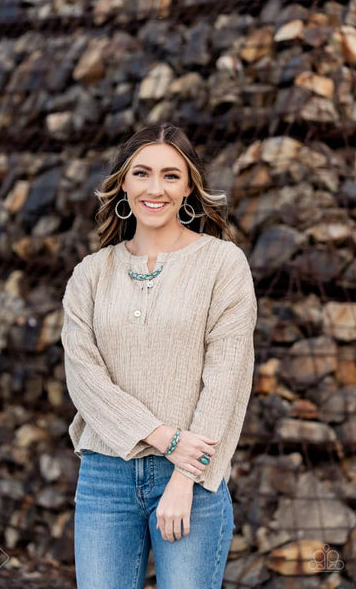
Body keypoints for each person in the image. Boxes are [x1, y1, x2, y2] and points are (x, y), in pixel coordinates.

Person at [61, 123, 257, 589]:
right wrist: (165, 438)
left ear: (188, 187)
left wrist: (185, 475)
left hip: (194, 477)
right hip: (105, 476)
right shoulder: (90, 274)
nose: (155, 189)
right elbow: (85, 379)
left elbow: (226, 380)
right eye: (142, 173)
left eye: (171, 176)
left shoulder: (223, 264)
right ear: (123, 183)